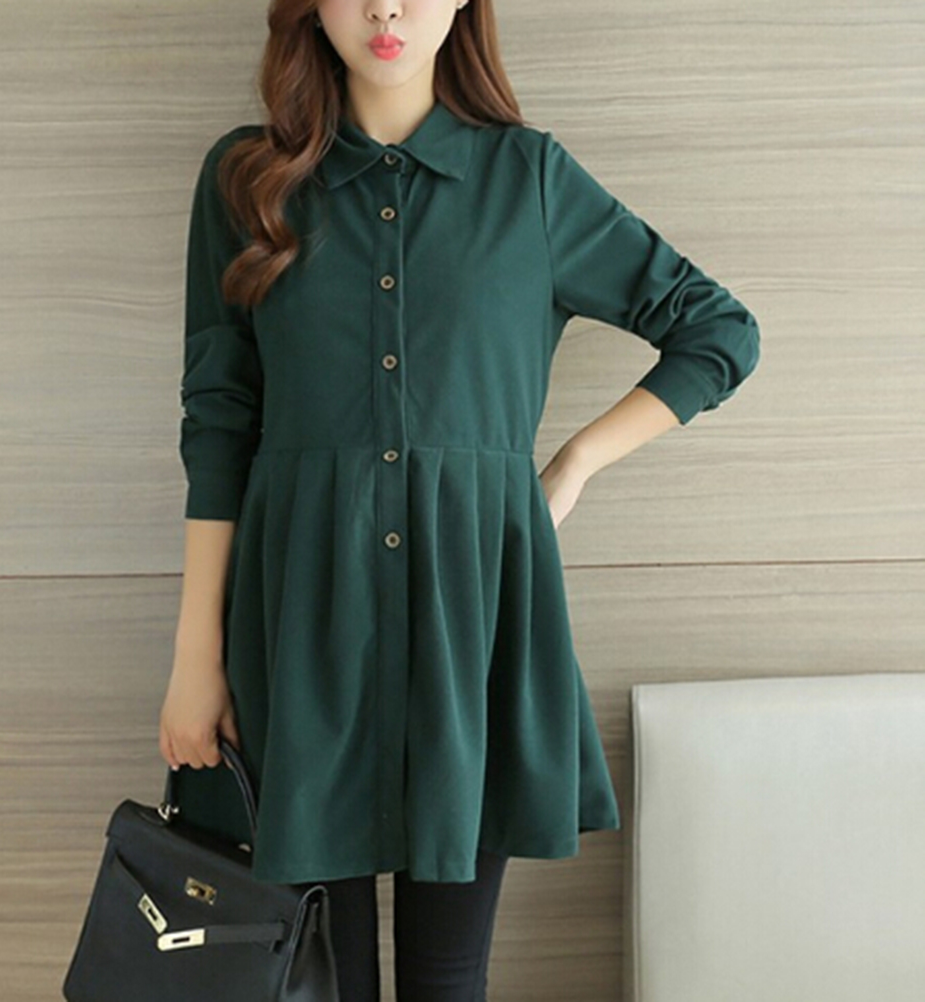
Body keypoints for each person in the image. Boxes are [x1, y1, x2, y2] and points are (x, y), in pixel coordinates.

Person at [158, 1, 761, 999]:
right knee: (316, 972)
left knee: (449, 979)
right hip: (302, 628)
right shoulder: (247, 179)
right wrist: (195, 658)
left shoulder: (529, 179)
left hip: (470, 630)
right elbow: (218, 426)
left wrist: (573, 463)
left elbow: (717, 330)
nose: (386, 9)